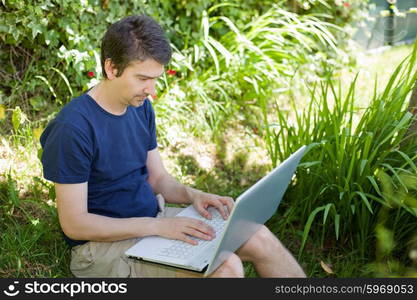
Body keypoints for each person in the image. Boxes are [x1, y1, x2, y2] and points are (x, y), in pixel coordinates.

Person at [40, 14, 306, 278]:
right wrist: (158, 227)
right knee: (226, 269)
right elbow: (74, 224)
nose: (151, 89)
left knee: (258, 235)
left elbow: (158, 179)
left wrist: (193, 196)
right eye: (143, 78)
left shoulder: (140, 107)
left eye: (156, 78)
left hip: (153, 222)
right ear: (111, 68)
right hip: (101, 248)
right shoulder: (73, 128)